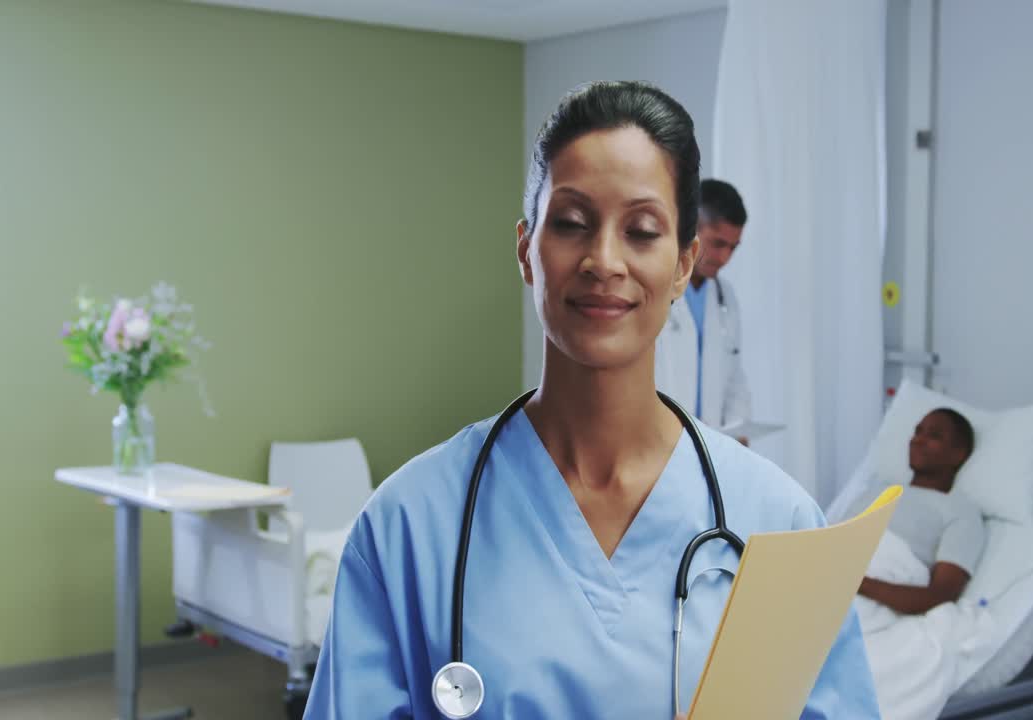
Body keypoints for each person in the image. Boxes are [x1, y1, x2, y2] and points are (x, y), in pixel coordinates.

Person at [302, 81, 880, 719]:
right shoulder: (409, 527)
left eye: (641, 231)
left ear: (685, 262)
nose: (604, 260)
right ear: (527, 250)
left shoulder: (782, 525)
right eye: (572, 224)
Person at [855, 408, 985, 615]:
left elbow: (940, 595)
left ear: (958, 454)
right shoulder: (875, 493)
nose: (917, 440)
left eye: (934, 435)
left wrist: (855, 583)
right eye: (918, 432)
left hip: (867, 594)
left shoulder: (962, 513)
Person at [654, 179, 752, 439]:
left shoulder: (725, 297)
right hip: (657, 444)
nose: (725, 258)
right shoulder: (654, 288)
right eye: (718, 244)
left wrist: (737, 432)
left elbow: (734, 380)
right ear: (690, 229)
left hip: (709, 448)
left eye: (733, 247)